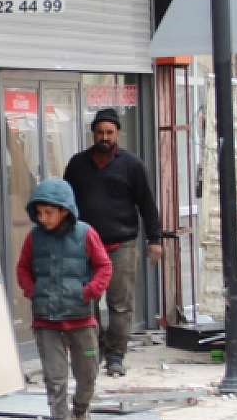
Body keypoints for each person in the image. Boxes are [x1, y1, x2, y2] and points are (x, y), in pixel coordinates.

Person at [63, 107, 163, 377]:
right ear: (93, 134)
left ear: (118, 133)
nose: (104, 137)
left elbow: (147, 205)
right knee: (87, 303)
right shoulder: (77, 164)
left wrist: (155, 239)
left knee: (120, 305)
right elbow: (65, 204)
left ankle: (116, 357)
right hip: (83, 245)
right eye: (100, 132)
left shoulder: (132, 165)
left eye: (109, 132)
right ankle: (91, 354)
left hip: (122, 244)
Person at [15, 179, 113, 420]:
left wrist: (88, 292)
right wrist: (33, 291)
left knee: (88, 373)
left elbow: (104, 266)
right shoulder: (34, 238)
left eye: (48, 213)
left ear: (64, 211)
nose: (43, 219)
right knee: (54, 377)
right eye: (40, 213)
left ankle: (79, 414)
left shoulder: (86, 234)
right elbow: (23, 268)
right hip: (46, 320)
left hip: (81, 318)